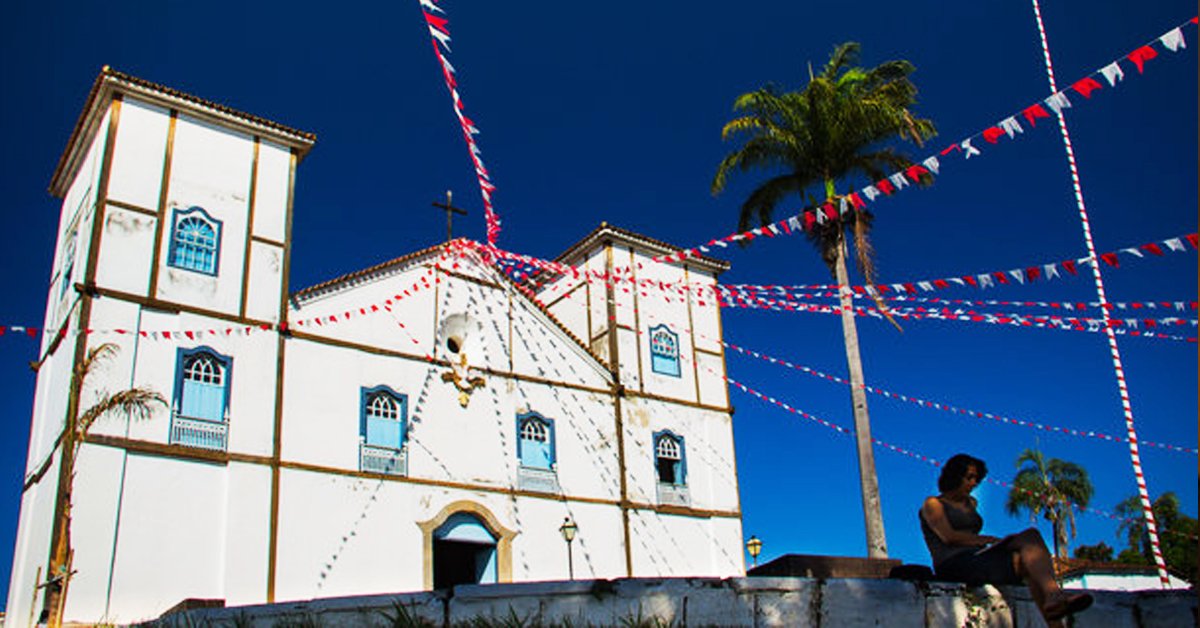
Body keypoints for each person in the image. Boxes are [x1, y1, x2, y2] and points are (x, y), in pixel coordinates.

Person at [920, 453, 1093, 625]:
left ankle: (1053, 607)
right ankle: (1054, 596)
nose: (973, 483)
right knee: (1028, 538)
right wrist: (990, 540)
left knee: (1027, 560)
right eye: (969, 477)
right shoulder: (933, 504)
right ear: (954, 477)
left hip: (978, 558)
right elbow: (948, 537)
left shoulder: (970, 503)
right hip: (953, 563)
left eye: (976, 479)